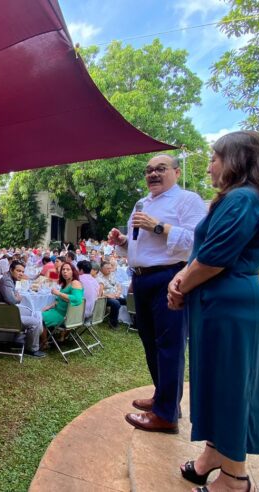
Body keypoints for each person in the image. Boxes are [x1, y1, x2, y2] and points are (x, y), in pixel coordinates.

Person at [167, 131, 259, 492]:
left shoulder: (242, 200)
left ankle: (235, 477)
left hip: (230, 303)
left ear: (235, 160)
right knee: (216, 380)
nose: (209, 167)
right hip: (221, 303)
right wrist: (182, 277)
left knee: (232, 385)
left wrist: (180, 286)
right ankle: (213, 455)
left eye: (214, 159)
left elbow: (214, 259)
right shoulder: (246, 199)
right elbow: (204, 255)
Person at [108, 153, 207, 434]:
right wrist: (123, 241)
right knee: (150, 343)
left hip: (169, 277)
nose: (152, 174)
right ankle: (163, 397)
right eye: (148, 170)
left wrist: (159, 226)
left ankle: (166, 415)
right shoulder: (142, 203)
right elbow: (141, 247)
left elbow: (198, 241)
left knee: (170, 345)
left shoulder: (188, 200)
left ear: (175, 172)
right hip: (141, 279)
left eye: (160, 169)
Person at [0, 260, 46, 358]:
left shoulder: (9, 278)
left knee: (31, 313)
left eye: (22, 271)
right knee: (35, 322)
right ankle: (31, 349)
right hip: (4, 317)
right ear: (11, 270)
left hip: (4, 313)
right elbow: (12, 300)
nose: (21, 273)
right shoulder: (7, 280)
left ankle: (18, 341)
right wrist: (18, 299)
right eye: (18, 271)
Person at [41, 263, 84, 347]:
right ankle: (47, 338)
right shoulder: (65, 284)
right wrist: (49, 307)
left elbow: (77, 299)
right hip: (58, 311)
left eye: (68, 269)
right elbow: (58, 300)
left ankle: (44, 343)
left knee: (40, 318)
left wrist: (58, 293)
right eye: (63, 270)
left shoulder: (75, 283)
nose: (65, 271)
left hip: (65, 316)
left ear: (73, 271)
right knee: (39, 313)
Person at [98, 261, 126, 328]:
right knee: (116, 303)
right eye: (107, 268)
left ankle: (134, 322)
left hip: (115, 295)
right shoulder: (98, 277)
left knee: (128, 300)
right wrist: (108, 295)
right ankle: (113, 323)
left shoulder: (112, 275)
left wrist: (118, 292)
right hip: (104, 297)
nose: (110, 270)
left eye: (110, 268)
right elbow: (99, 292)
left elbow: (118, 284)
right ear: (101, 269)